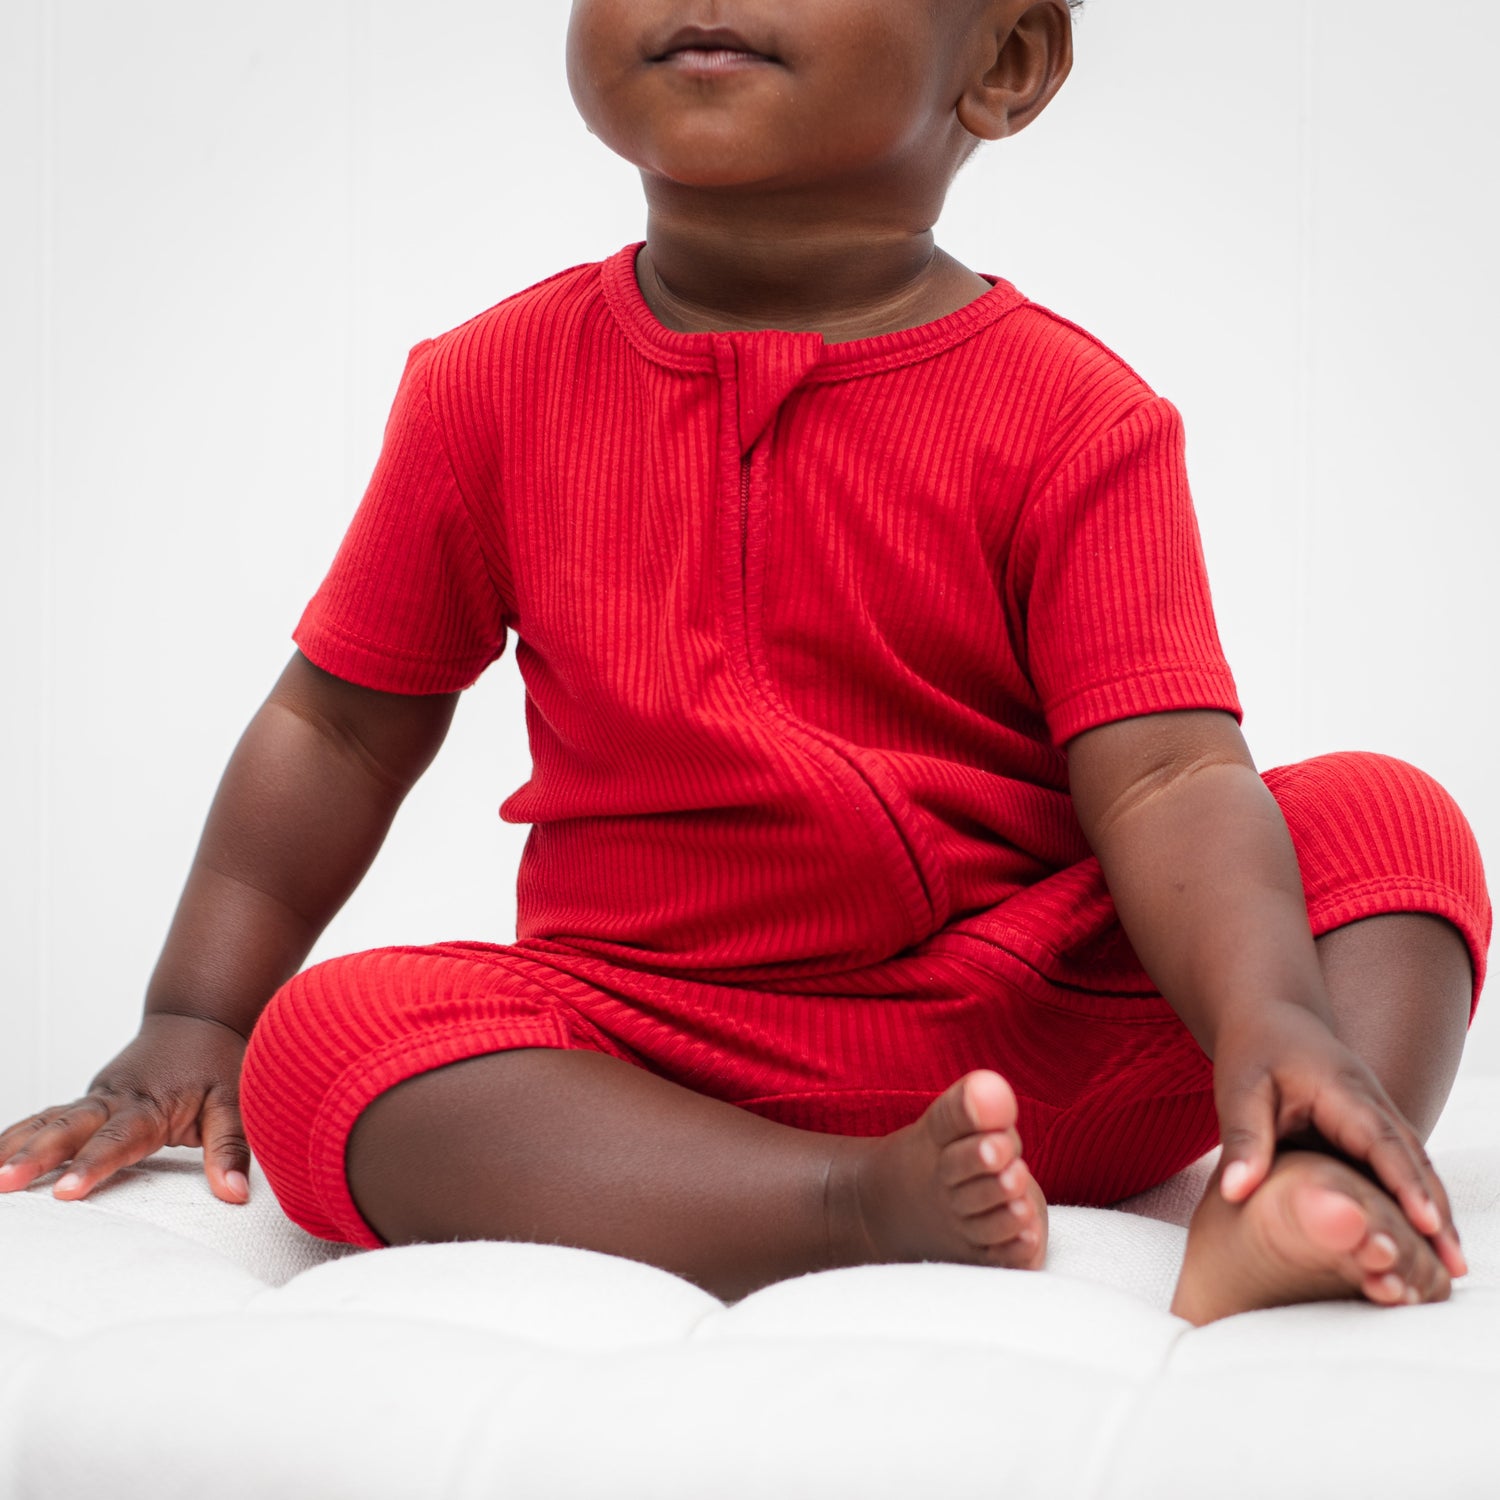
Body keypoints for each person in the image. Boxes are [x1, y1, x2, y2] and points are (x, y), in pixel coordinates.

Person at [0, 0, 1488, 1324]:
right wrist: (199, 1018)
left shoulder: (1074, 417)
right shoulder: (486, 387)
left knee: (1383, 821)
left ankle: (1299, 1171)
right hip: (646, 1050)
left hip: (1033, 1026)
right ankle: (843, 1204)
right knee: (328, 1044)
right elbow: (337, 728)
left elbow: (1166, 777)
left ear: (1006, 60)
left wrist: (1270, 1018)